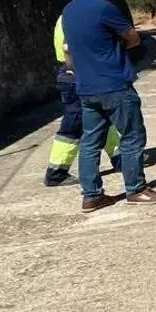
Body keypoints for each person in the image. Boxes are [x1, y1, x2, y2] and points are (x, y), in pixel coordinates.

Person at [62, 0, 156, 212]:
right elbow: (132, 38)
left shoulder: (69, 10)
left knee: (90, 141)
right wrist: (116, 47)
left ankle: (91, 196)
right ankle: (136, 190)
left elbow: (70, 50)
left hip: (86, 87)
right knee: (132, 137)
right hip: (114, 84)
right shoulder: (104, 8)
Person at [43, 10, 123, 186]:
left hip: (73, 72)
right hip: (76, 73)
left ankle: (119, 158)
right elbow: (68, 47)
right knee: (74, 123)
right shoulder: (75, 17)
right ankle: (56, 171)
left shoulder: (65, 16)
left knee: (103, 117)